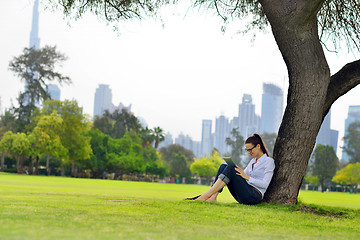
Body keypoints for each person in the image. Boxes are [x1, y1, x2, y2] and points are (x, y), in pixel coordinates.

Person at [187, 133, 275, 205]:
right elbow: (242, 176)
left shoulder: (268, 161)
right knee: (224, 166)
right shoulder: (253, 161)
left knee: (230, 168)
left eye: (250, 150)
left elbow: (265, 184)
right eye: (247, 150)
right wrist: (240, 172)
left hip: (254, 196)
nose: (249, 153)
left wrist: (247, 177)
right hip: (244, 192)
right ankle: (213, 197)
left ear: (258, 146)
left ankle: (205, 196)